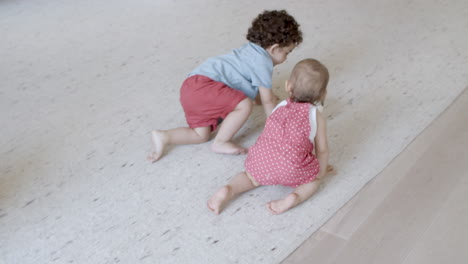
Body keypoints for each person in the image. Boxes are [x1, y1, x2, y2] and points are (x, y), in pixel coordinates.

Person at [148, 10, 302, 162]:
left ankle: (165, 136)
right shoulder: (263, 62)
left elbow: (248, 82)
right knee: (244, 105)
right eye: (287, 53)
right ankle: (220, 142)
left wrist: (259, 99)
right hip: (205, 85)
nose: (286, 58)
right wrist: (275, 126)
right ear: (274, 48)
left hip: (190, 88)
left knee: (201, 135)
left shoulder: (250, 49)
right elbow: (268, 100)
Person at [208, 59, 335, 215]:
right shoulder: (316, 116)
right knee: (314, 181)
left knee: (250, 177)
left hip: (262, 160)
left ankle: (229, 189)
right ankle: (294, 197)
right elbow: (322, 150)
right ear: (324, 94)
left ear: (288, 86)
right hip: (292, 169)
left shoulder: (279, 107)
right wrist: (320, 170)